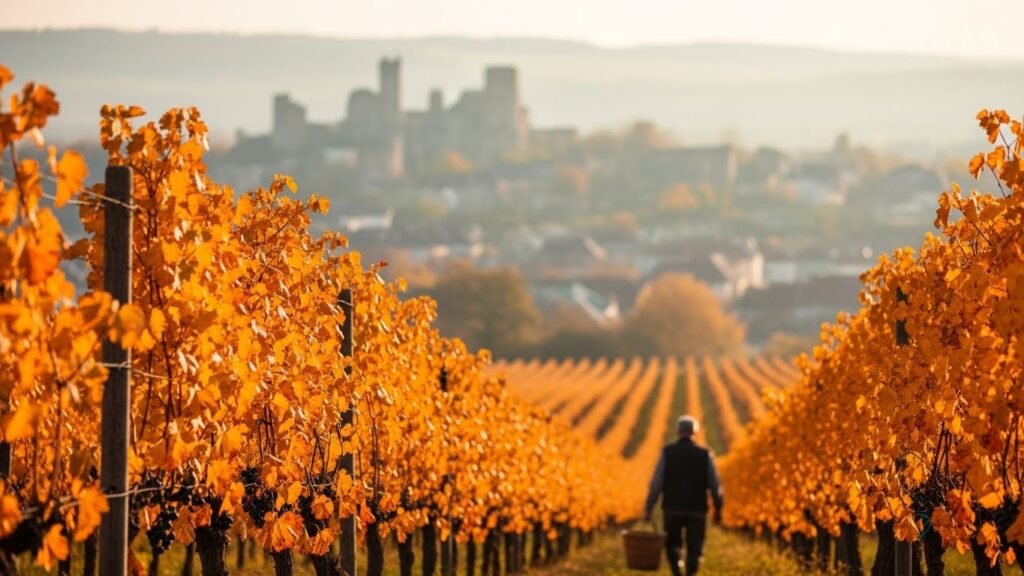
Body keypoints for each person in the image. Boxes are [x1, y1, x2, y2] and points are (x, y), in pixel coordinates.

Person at [643, 415, 724, 576]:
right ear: (694, 433)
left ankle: (677, 572)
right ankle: (691, 572)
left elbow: (656, 483)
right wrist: (718, 507)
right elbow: (715, 485)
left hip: (672, 508)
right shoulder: (705, 455)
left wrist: (649, 506)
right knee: (695, 546)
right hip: (697, 510)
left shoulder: (667, 453)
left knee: (672, 545)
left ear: (678, 432)